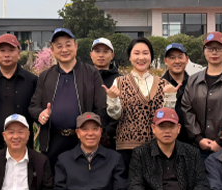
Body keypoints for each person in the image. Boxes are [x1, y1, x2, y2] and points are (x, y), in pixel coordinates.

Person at [30, 28, 108, 164]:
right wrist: (40, 114)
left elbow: (101, 108)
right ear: (52, 50)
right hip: (53, 141)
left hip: (82, 141)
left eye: (68, 45)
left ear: (75, 46)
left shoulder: (91, 73)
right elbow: (33, 106)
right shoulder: (45, 76)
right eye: (59, 46)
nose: (64, 50)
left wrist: (90, 131)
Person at [106, 37, 177, 173]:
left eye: (145, 53)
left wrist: (170, 96)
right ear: (130, 57)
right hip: (127, 148)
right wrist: (113, 98)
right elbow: (115, 115)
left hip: (155, 148)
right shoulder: (119, 82)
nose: (141, 57)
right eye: (136, 53)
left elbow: (166, 118)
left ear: (151, 57)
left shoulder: (163, 84)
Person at [180, 31, 222, 156]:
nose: (214, 52)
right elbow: (187, 110)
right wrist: (198, 138)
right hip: (196, 149)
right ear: (204, 51)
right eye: (210, 48)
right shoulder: (193, 80)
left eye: (219, 48)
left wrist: (221, 141)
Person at [0, 34, 38, 159]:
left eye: (11, 50)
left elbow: (34, 109)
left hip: (21, 145)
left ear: (18, 54)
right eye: (2, 51)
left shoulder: (31, 80)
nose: (7, 55)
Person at [89, 37, 121, 149]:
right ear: (91, 55)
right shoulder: (84, 78)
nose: (101, 55)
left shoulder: (120, 80)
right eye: (97, 51)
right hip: (86, 136)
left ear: (112, 55)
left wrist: (107, 131)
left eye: (105, 51)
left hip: (112, 139)